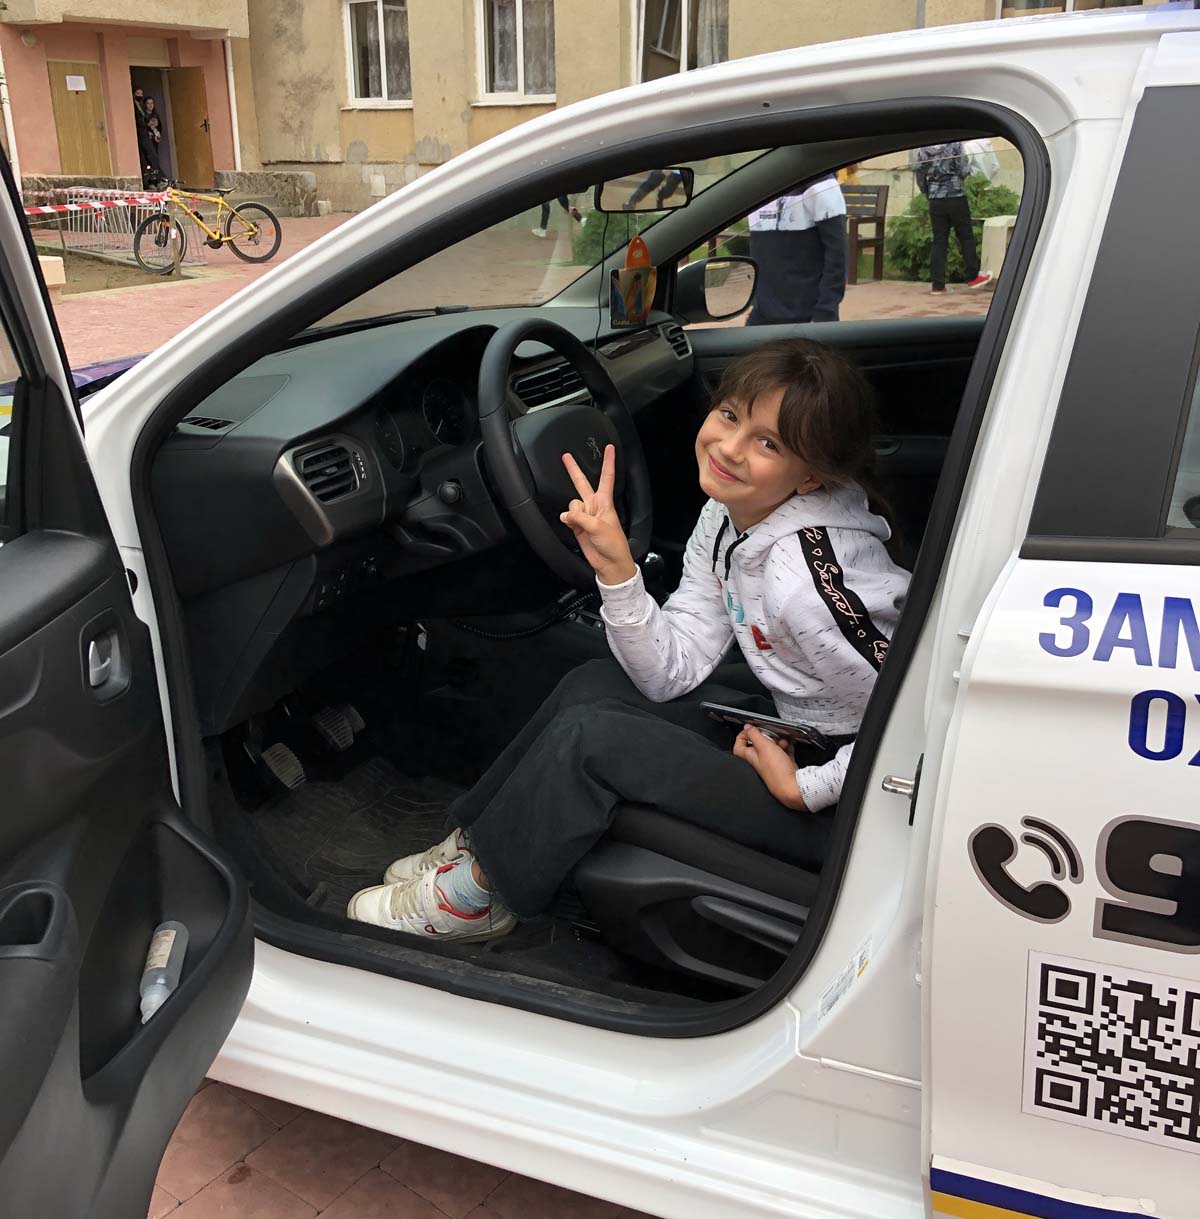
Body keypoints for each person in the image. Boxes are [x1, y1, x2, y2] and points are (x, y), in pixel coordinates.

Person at [347, 339, 911, 940]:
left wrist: (803, 789)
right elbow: (672, 670)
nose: (730, 448)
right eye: (730, 415)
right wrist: (618, 572)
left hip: (853, 799)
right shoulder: (730, 517)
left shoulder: (807, 585)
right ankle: (481, 844)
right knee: (594, 683)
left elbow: (914, 723)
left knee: (596, 742)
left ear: (812, 476)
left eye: (768, 443)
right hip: (800, 733)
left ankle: (479, 899)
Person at [746, 174, 848, 325]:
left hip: (806, 317)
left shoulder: (821, 183)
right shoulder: (759, 181)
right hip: (762, 313)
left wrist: (825, 313)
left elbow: (837, 254)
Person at [915, 142, 993, 295]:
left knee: (939, 241)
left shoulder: (923, 149)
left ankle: (938, 285)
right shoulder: (955, 145)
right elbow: (963, 169)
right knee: (966, 236)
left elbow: (920, 174)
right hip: (956, 195)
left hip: (935, 199)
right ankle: (972, 277)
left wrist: (928, 192)